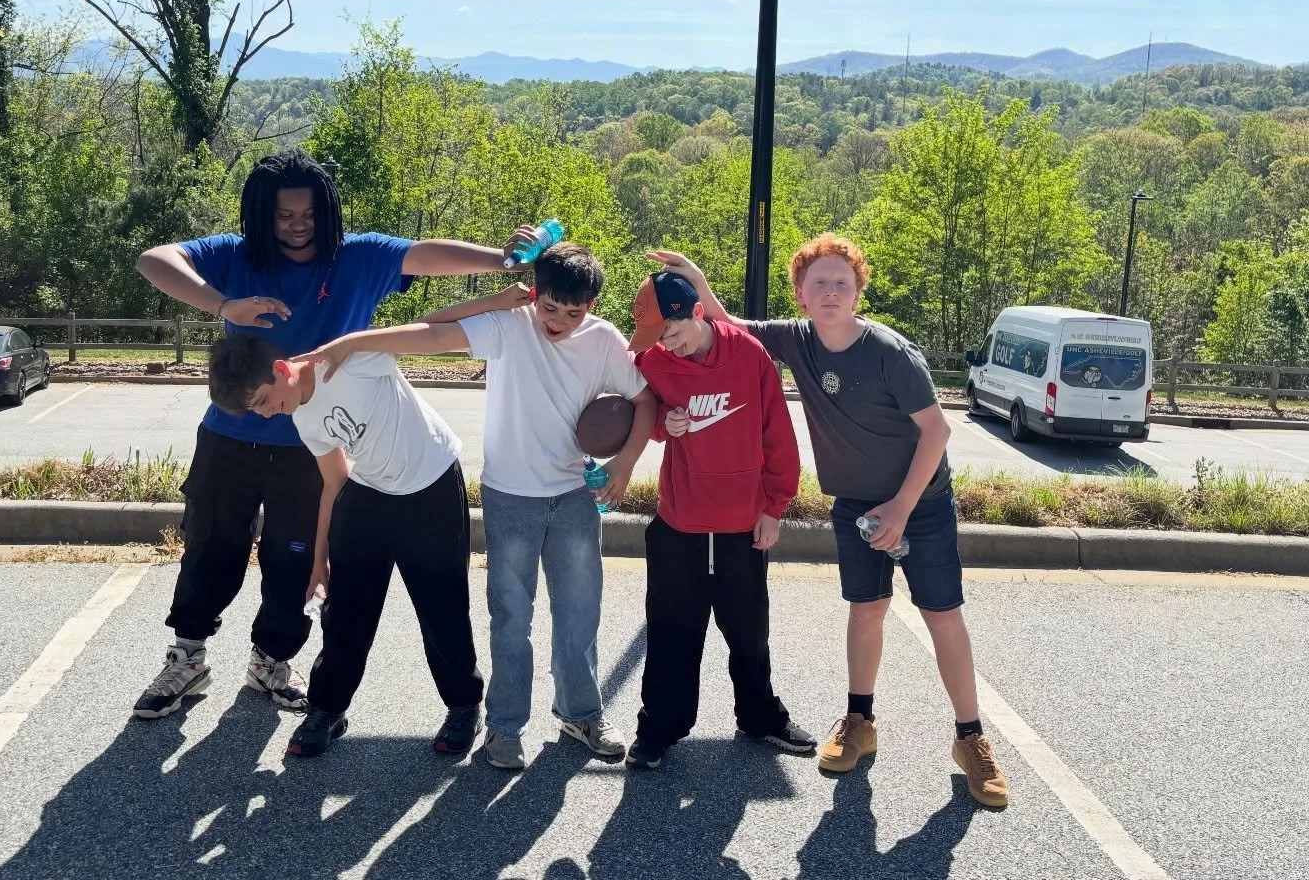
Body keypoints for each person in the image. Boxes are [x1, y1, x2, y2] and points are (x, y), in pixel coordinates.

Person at [132, 145, 533, 719]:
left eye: (307, 213)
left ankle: (271, 661)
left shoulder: (358, 256)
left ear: (326, 208)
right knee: (209, 549)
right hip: (229, 436)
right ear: (262, 215)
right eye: (283, 215)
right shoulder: (237, 257)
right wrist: (224, 303)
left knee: (293, 561)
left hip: (314, 445)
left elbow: (427, 256)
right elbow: (154, 259)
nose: (297, 225)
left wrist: (502, 260)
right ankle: (187, 659)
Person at [649, 236, 1010, 808]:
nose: (831, 292)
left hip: (921, 503)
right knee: (866, 611)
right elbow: (725, 320)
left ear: (859, 291)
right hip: (855, 505)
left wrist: (901, 509)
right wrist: (694, 275)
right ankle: (859, 720)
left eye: (842, 282)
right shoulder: (796, 339)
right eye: (819, 282)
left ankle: (971, 738)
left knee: (942, 616)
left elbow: (937, 433)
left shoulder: (892, 352)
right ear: (801, 294)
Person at [308, 243, 657, 770]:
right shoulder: (508, 324)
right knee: (511, 617)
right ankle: (504, 727)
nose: (559, 321)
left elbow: (645, 399)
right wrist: (354, 341)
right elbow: (431, 330)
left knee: (579, 613)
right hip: (510, 495)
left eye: (574, 311)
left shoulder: (604, 341)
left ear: (589, 306)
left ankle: (581, 713)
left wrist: (625, 465)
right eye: (550, 307)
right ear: (534, 293)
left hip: (574, 498)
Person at [202, 282, 529, 758]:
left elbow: (430, 326)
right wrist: (320, 559)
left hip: (430, 485)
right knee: (346, 611)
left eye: (265, 402)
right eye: (259, 411)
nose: (269, 414)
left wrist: (497, 301)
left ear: (281, 369)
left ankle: (463, 705)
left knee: (441, 608)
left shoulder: (349, 359)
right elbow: (334, 481)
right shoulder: (300, 417)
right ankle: (326, 709)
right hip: (370, 492)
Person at [622, 271, 817, 770]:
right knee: (671, 630)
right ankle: (659, 728)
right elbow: (640, 411)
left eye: (673, 331)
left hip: (743, 522)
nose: (668, 345)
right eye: (659, 337)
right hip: (679, 522)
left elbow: (779, 435)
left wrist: (775, 507)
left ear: (698, 312)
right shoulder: (655, 361)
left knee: (748, 630)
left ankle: (760, 717)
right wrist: (665, 423)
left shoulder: (749, 354)